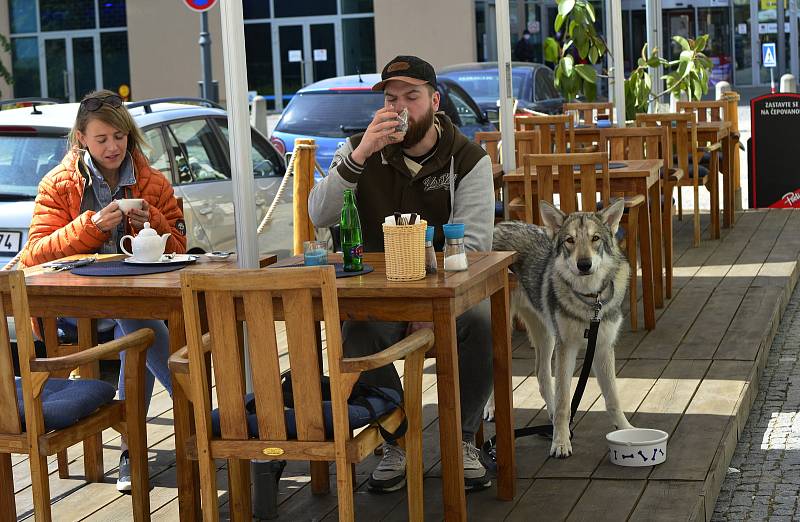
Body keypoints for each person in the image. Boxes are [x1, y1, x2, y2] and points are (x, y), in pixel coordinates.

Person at [308, 56, 495, 492]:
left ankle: (463, 438)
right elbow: (319, 212)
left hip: (448, 297)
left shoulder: (469, 159)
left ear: (434, 100)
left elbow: (473, 248)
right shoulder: (358, 149)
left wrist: (429, 302)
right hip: (375, 300)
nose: (400, 107)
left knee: (482, 321)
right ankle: (395, 437)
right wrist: (359, 156)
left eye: (412, 96)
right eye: (392, 99)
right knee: (356, 333)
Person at [21, 89, 186, 492]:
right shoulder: (59, 184)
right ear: (81, 138)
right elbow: (35, 255)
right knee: (139, 327)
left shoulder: (149, 180)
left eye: (119, 136)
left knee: (137, 331)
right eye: (101, 139)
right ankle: (196, 411)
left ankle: (134, 449)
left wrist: (158, 220)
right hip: (72, 310)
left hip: (130, 303)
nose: (113, 147)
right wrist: (92, 226)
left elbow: (180, 249)